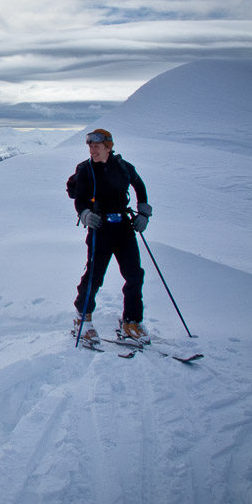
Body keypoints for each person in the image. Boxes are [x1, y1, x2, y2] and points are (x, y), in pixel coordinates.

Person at [71, 128, 153, 344]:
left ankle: (131, 321)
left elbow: (140, 186)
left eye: (96, 146)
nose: (92, 150)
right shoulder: (86, 170)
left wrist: (143, 212)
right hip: (100, 228)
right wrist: (86, 214)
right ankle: (83, 319)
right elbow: (79, 199)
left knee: (134, 274)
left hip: (124, 227)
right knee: (94, 276)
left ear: (108, 147)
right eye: (90, 146)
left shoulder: (123, 167)